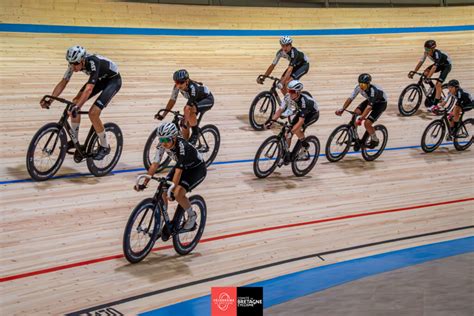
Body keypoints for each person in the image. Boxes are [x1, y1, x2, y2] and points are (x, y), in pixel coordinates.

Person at [39, 45, 122, 160]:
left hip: (112, 81)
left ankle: (104, 146)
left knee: (93, 113)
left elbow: (88, 90)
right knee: (74, 102)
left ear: (82, 60)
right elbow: (63, 82)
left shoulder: (93, 62)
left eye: (76, 64)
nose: (73, 67)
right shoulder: (73, 64)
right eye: (71, 63)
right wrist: (51, 99)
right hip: (99, 79)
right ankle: (75, 141)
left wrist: (77, 107)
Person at [134, 122, 206, 233]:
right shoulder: (162, 145)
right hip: (181, 166)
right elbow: (154, 165)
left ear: (174, 137)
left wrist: (171, 191)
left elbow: (178, 172)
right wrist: (144, 183)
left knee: (177, 193)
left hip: (196, 169)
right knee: (163, 188)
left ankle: (192, 216)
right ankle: (162, 221)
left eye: (166, 140)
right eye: (161, 140)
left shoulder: (182, 147)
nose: (164, 143)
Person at [266, 80, 319, 163]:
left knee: (295, 130)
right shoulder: (287, 97)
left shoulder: (303, 102)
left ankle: (305, 145)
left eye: (292, 91)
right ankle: (286, 155)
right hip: (300, 111)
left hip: (312, 114)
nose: (290, 93)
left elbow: (301, 121)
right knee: (289, 131)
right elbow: (280, 110)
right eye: (289, 90)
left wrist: (292, 131)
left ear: (298, 92)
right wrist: (271, 121)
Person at [156, 69, 214, 144]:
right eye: (177, 82)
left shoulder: (193, 88)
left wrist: (185, 122)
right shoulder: (177, 87)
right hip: (195, 101)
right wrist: (163, 115)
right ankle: (186, 146)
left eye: (181, 82)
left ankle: (195, 133)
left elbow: (187, 108)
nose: (179, 85)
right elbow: (172, 101)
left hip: (207, 100)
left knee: (187, 115)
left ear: (187, 81)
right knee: (184, 126)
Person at [335, 73, 387, 150]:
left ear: (368, 84)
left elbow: (369, 107)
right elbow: (350, 98)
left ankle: (375, 139)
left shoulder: (373, 91)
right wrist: (342, 109)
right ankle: (354, 137)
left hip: (380, 104)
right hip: (371, 101)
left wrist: (361, 118)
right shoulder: (358, 87)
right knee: (355, 114)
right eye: (361, 84)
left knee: (367, 123)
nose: (362, 87)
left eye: (364, 85)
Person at [408, 40, 452, 110]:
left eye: (428, 49)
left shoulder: (437, 54)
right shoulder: (426, 53)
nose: (426, 50)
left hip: (446, 66)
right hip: (439, 64)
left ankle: (435, 105)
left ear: (433, 49)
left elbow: (434, 67)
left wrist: (428, 77)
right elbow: (421, 62)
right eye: (425, 49)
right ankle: (432, 87)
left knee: (438, 84)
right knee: (425, 73)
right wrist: (414, 71)